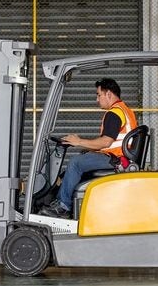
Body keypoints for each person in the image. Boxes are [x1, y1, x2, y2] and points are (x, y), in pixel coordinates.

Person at [40, 78, 137, 219]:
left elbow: (106, 142)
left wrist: (78, 141)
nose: (97, 99)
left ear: (108, 94)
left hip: (116, 160)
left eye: (98, 95)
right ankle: (64, 197)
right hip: (119, 158)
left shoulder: (114, 113)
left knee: (76, 162)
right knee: (75, 165)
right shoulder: (125, 110)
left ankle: (63, 206)